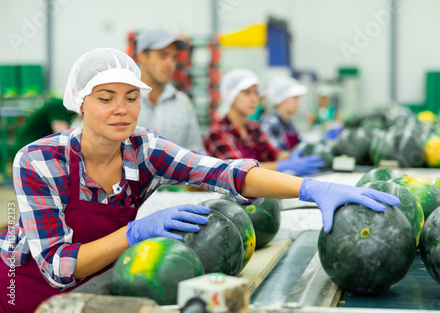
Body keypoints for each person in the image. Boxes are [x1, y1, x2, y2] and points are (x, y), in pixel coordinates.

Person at [0, 48, 400, 313]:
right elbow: (56, 265)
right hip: (27, 290)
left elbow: (224, 173)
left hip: (99, 285)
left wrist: (310, 188)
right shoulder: (38, 161)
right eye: (105, 98)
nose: (121, 110)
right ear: (79, 102)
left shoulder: (144, 149)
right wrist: (136, 232)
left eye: (131, 97)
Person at [204, 69, 323, 176]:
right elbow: (237, 171)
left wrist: (302, 153)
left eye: (256, 93)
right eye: (247, 93)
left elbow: (275, 155)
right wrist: (282, 166)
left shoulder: (254, 128)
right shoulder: (217, 132)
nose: (254, 99)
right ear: (231, 95)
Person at [136, 27, 205, 153]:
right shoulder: (124, 99)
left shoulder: (183, 103)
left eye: (174, 58)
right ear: (143, 57)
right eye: (163, 56)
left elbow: (196, 154)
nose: (170, 64)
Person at [11, 97, 77, 158]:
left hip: (37, 148)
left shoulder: (73, 113)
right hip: (28, 149)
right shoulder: (57, 105)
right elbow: (64, 136)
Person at [261, 76, 306, 151]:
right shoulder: (271, 124)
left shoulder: (288, 123)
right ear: (282, 99)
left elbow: (299, 143)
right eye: (295, 99)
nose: (298, 104)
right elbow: (275, 154)